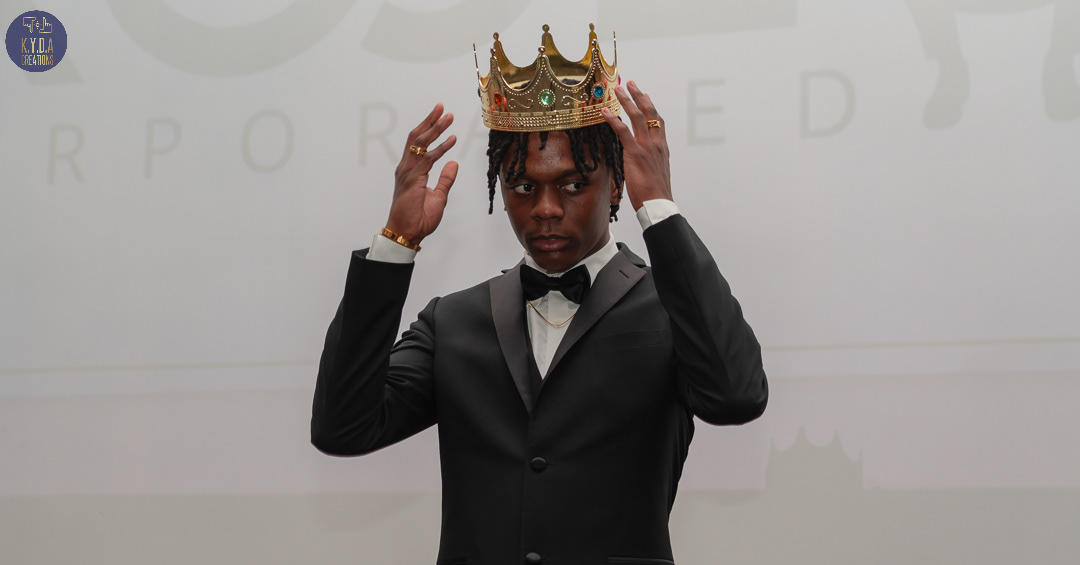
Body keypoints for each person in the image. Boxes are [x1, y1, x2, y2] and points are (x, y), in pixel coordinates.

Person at [312, 24, 767, 565]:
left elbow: (737, 396)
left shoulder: (673, 310)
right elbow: (342, 428)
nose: (546, 209)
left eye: (573, 185)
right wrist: (396, 244)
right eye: (524, 187)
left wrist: (660, 209)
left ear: (617, 185)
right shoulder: (452, 321)